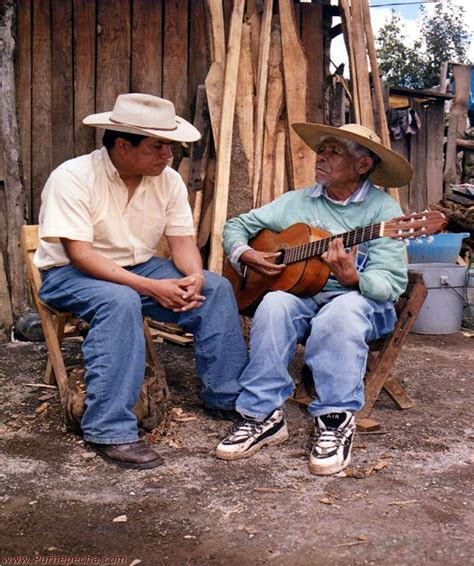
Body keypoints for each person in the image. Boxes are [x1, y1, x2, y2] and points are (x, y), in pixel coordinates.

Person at [34, 93, 247, 470]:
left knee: (215, 289)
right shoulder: (73, 177)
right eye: (158, 146)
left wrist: (194, 277)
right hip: (70, 274)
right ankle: (109, 429)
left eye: (171, 146)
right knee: (119, 301)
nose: (169, 155)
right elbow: (80, 255)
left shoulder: (167, 182)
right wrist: (149, 288)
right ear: (122, 144)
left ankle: (225, 397)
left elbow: (182, 243)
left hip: (139, 267)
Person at [216, 123, 413, 475]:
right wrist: (245, 254)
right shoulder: (297, 201)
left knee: (341, 310)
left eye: (334, 151)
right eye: (321, 150)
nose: (321, 156)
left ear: (363, 165)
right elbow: (237, 226)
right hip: (305, 296)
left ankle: (336, 420)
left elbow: (392, 283)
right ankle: (262, 415)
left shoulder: (384, 213)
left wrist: (354, 277)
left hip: (363, 305)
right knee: (274, 304)